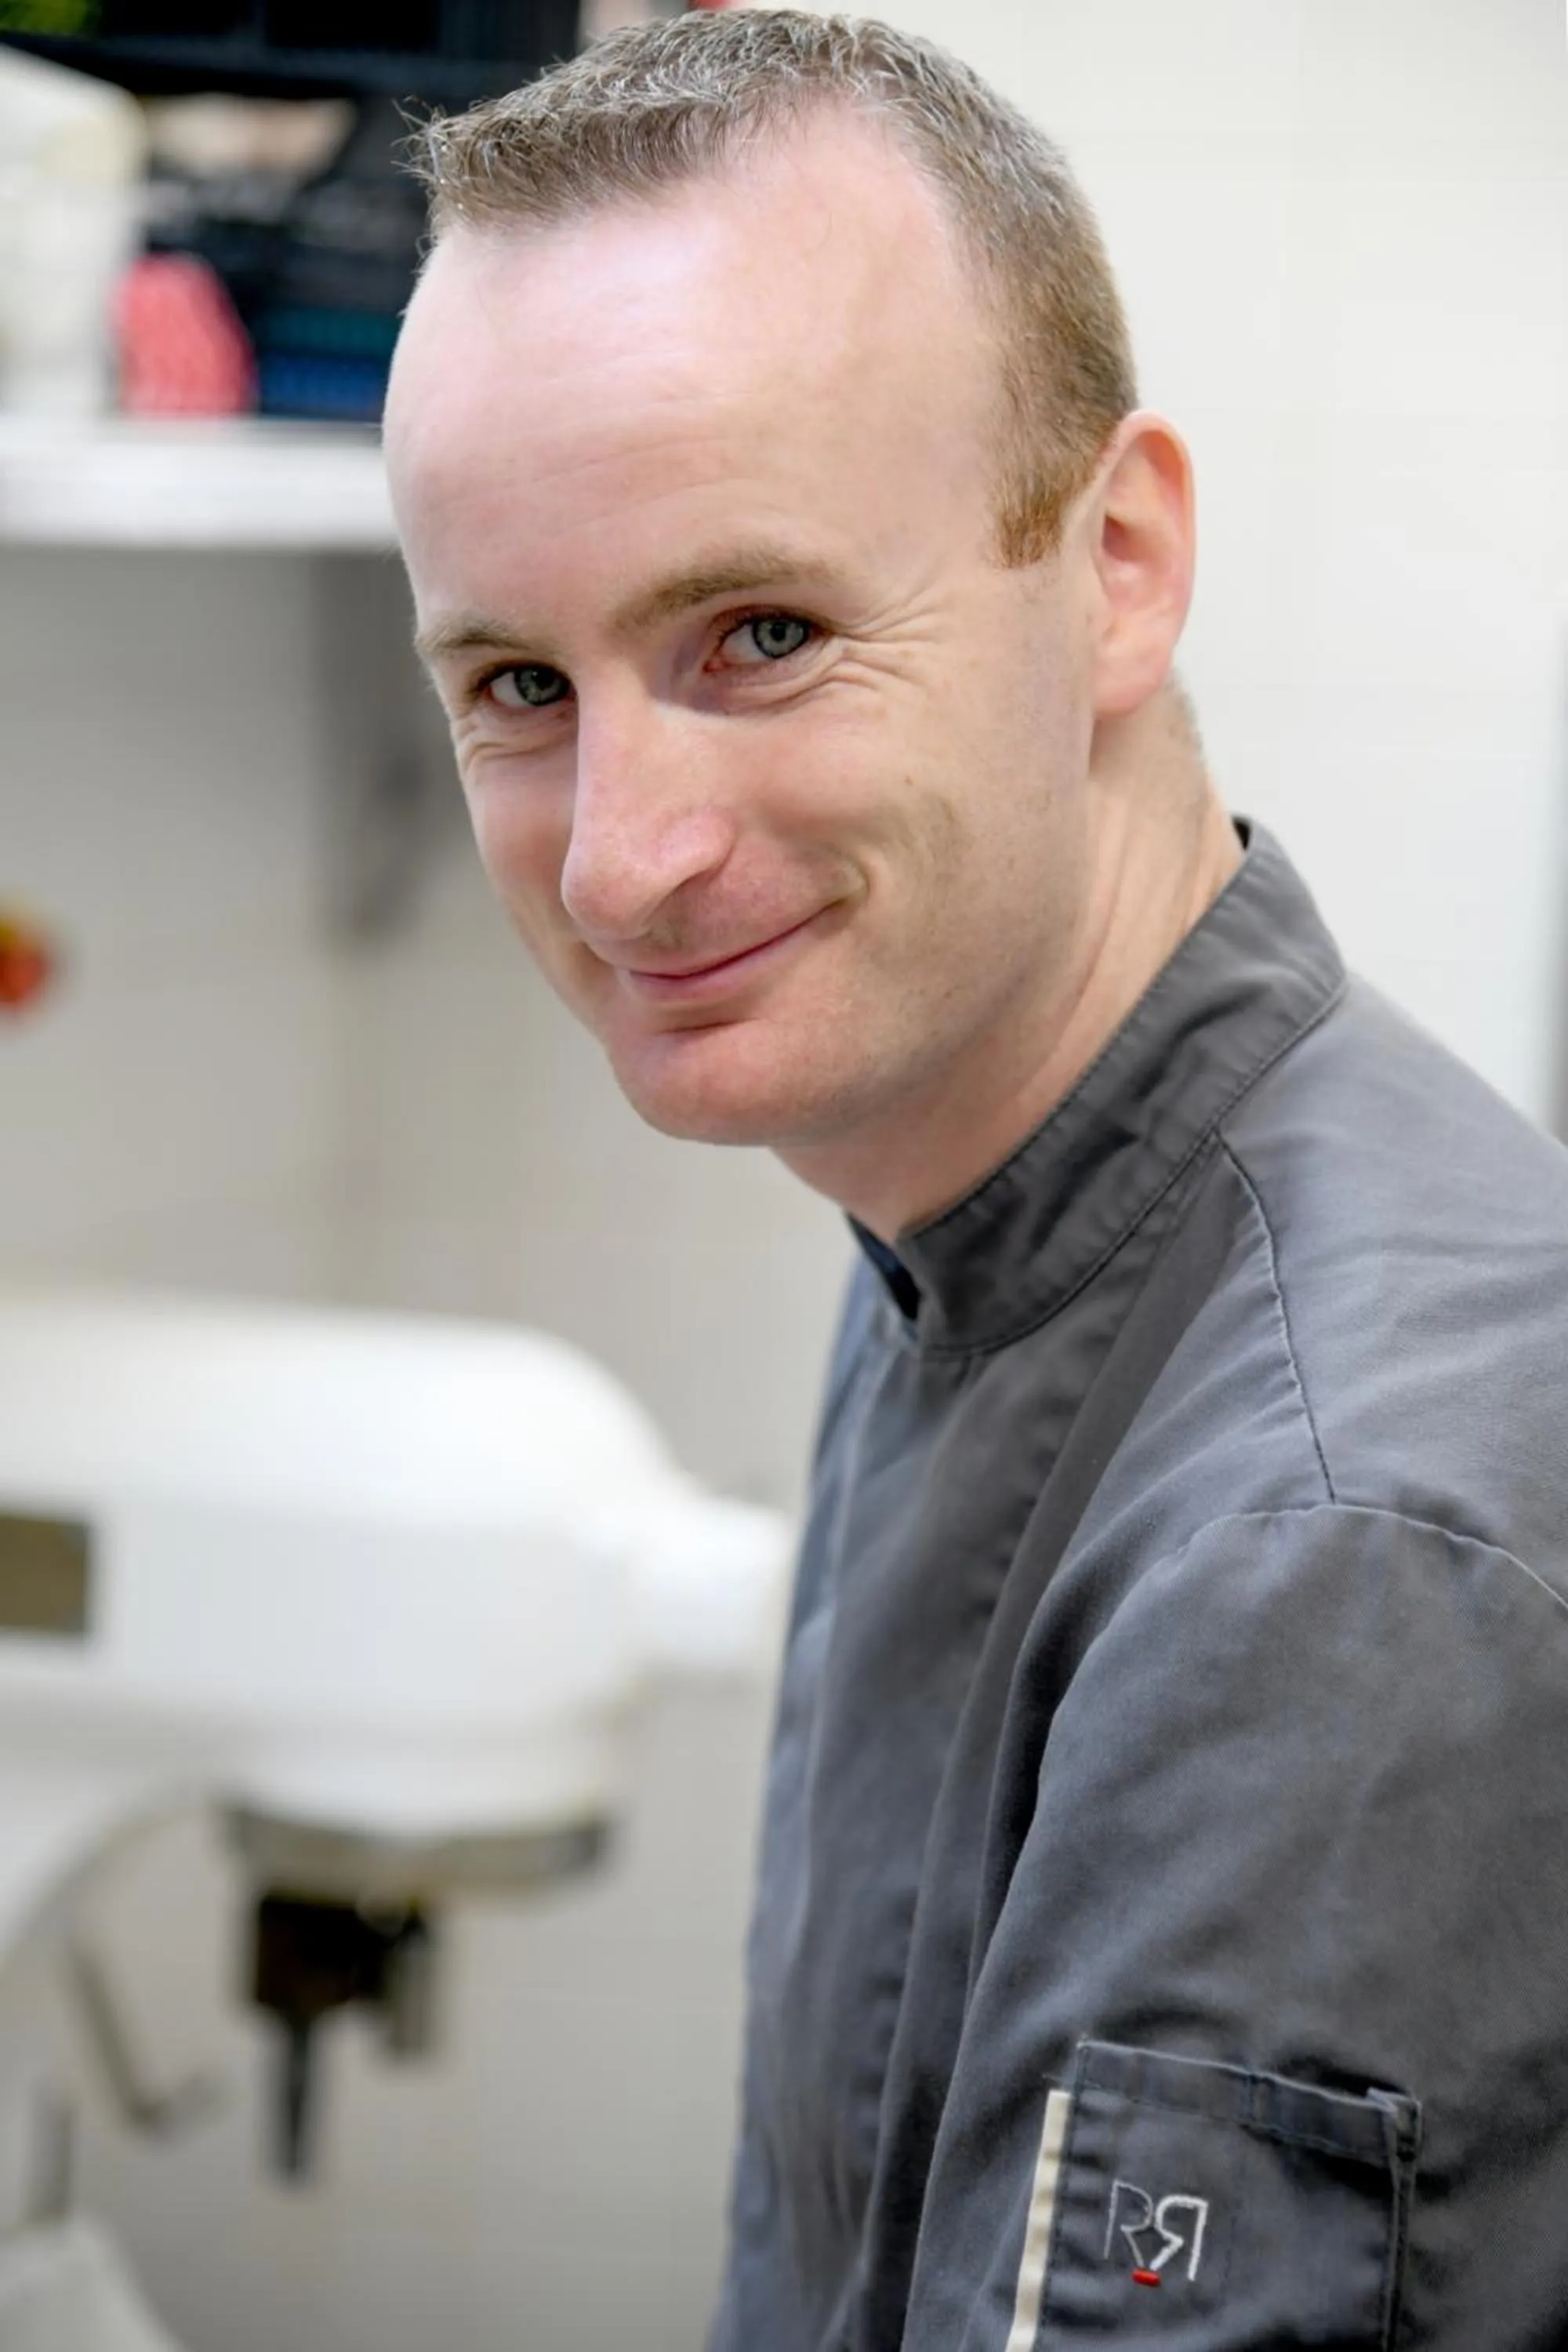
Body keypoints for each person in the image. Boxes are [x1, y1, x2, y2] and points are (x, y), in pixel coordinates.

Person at [382, 13, 1568, 2347]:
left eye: (766, 634)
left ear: (1117, 563)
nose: (627, 861)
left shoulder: (1319, 1554)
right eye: (522, 687)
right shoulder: (977, 1211)